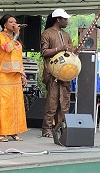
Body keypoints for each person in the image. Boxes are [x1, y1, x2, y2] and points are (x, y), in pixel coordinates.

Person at [40, 8, 76, 138]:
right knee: (52, 102)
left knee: (64, 103)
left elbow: (70, 54)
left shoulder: (66, 36)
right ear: (58, 19)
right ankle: (47, 129)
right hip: (52, 73)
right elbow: (44, 53)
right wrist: (59, 48)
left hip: (65, 73)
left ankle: (60, 128)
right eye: (65, 19)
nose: (67, 21)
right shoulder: (47, 33)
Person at [0, 14, 28, 142]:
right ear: (5, 25)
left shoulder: (16, 40)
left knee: (16, 104)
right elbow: (7, 48)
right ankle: (1, 133)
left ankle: (13, 131)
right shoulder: (0, 36)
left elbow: (19, 59)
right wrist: (17, 34)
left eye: (15, 22)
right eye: (11, 22)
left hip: (15, 75)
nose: (14, 24)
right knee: (4, 103)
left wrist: (23, 74)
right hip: (3, 73)